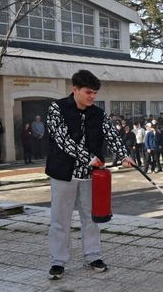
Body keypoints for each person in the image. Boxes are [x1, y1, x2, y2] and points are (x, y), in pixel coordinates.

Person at [45, 70, 133, 280]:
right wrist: (88, 157)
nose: (92, 97)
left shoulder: (98, 113)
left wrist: (124, 155)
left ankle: (93, 256)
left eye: (95, 93)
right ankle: (58, 261)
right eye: (88, 92)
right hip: (62, 173)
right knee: (60, 219)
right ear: (74, 89)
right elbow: (62, 139)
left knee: (91, 217)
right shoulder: (57, 108)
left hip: (89, 176)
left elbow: (111, 134)